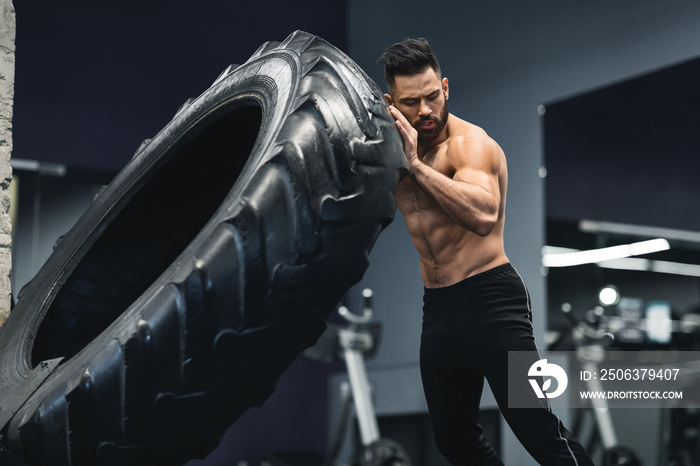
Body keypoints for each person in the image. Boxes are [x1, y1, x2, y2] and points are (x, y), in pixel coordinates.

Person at [377, 38, 594, 465]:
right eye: (411, 102)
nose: (424, 110)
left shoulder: (470, 145)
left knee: (539, 431)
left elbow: (483, 214)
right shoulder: (393, 155)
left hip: (493, 304)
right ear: (391, 103)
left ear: (445, 87)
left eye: (431, 97)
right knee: (453, 439)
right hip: (437, 310)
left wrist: (416, 167)